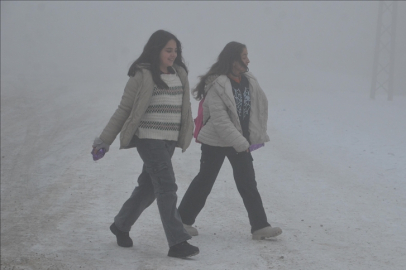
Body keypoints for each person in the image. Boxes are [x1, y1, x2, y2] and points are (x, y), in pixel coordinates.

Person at [92, 30, 199, 258]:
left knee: (149, 188)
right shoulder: (142, 75)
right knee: (167, 187)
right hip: (149, 139)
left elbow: (185, 107)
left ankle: (121, 225)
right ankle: (177, 242)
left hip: (169, 141)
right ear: (156, 50)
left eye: (175, 50)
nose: (173, 54)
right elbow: (124, 110)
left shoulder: (180, 74)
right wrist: (104, 141)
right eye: (168, 50)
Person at [178, 41, 282, 240]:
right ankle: (181, 221)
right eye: (244, 56)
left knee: (248, 183)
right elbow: (220, 120)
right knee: (204, 182)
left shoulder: (248, 80)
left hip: (239, 141)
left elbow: (257, 108)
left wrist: (252, 135)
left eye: (247, 56)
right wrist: (241, 143)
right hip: (215, 141)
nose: (248, 60)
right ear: (233, 59)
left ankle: (260, 227)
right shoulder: (218, 83)